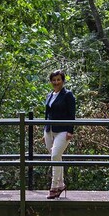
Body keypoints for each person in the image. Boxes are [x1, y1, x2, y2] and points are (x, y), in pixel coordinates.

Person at [43, 69, 76, 199]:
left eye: (58, 79)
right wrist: (45, 130)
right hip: (49, 130)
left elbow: (72, 114)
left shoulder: (68, 95)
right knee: (56, 157)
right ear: (51, 81)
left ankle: (54, 187)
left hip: (63, 130)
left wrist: (70, 130)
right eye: (54, 80)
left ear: (62, 80)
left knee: (55, 155)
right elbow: (47, 114)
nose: (56, 82)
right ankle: (61, 184)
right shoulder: (50, 95)